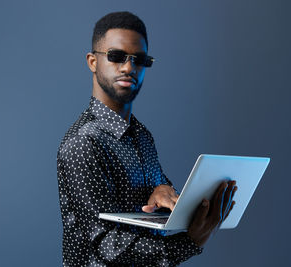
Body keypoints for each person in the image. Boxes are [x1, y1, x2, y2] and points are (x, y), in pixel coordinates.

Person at [56, 11, 237, 266]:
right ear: (92, 61)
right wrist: (190, 242)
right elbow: (107, 244)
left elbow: (161, 206)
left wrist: (165, 193)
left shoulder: (141, 136)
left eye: (139, 60)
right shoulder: (83, 144)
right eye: (116, 56)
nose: (129, 67)